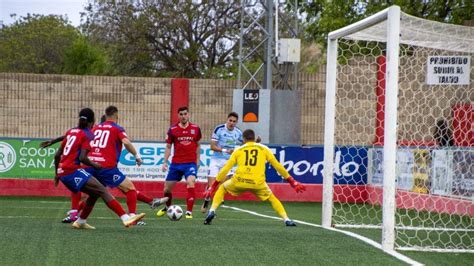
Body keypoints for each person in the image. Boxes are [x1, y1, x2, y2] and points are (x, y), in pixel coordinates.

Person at [54, 107, 145, 229]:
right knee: (103, 191)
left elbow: (57, 154)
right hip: (73, 172)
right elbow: (82, 158)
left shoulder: (72, 131)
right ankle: (126, 218)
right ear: (93, 121)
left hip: (63, 172)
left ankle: (80, 221)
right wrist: (95, 164)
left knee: (94, 194)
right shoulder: (87, 134)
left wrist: (56, 174)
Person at [203, 129, 306, 226]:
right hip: (258, 183)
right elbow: (278, 166)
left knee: (222, 188)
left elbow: (225, 169)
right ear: (254, 138)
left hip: (239, 181)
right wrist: (292, 181)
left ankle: (212, 211)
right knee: (272, 198)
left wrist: (213, 186)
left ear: (243, 139)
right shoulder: (264, 148)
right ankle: (286, 219)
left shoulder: (238, 150)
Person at [85, 105, 168, 222]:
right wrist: (137, 156)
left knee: (93, 195)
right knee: (130, 188)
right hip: (106, 167)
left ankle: (80, 220)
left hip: (91, 165)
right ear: (116, 115)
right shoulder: (117, 128)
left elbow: (86, 142)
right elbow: (126, 142)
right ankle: (132, 215)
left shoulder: (95, 128)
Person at [41, 114, 108, 223]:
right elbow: (70, 138)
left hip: (86, 163)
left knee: (87, 190)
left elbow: (67, 137)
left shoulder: (82, 130)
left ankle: (75, 213)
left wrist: (54, 141)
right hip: (88, 162)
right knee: (95, 190)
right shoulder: (90, 131)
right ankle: (126, 216)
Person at [157, 106, 202, 219]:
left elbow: (198, 145)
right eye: (181, 114)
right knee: (167, 189)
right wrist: (165, 162)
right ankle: (168, 208)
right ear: (178, 116)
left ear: (188, 115)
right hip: (176, 164)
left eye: (185, 114)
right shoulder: (173, 130)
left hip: (190, 163)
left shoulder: (195, 129)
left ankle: (189, 212)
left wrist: (198, 161)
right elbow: (168, 147)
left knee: (191, 182)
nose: (183, 116)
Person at [201, 112, 243, 213]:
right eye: (230, 120)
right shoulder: (219, 129)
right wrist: (225, 150)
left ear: (236, 122)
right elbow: (212, 146)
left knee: (222, 185)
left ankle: (212, 210)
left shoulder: (238, 132)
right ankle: (207, 200)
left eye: (234, 121)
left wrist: (256, 142)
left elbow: (246, 142)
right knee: (212, 187)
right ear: (227, 120)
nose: (231, 123)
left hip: (228, 162)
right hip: (216, 160)